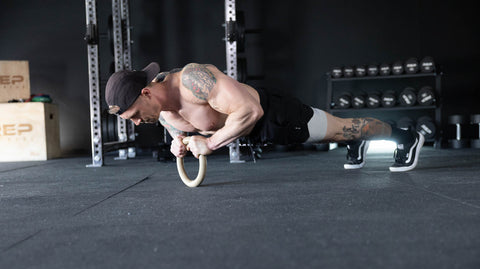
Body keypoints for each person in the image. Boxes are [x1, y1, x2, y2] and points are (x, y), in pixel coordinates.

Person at [105, 62, 424, 172]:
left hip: (276, 117)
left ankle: (404, 135)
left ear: (145, 93)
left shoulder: (192, 80)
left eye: (133, 116)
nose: (135, 124)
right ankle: (358, 141)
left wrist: (211, 143)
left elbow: (250, 111)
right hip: (252, 133)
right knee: (342, 132)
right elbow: (181, 130)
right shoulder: (158, 112)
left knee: (341, 129)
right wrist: (182, 145)